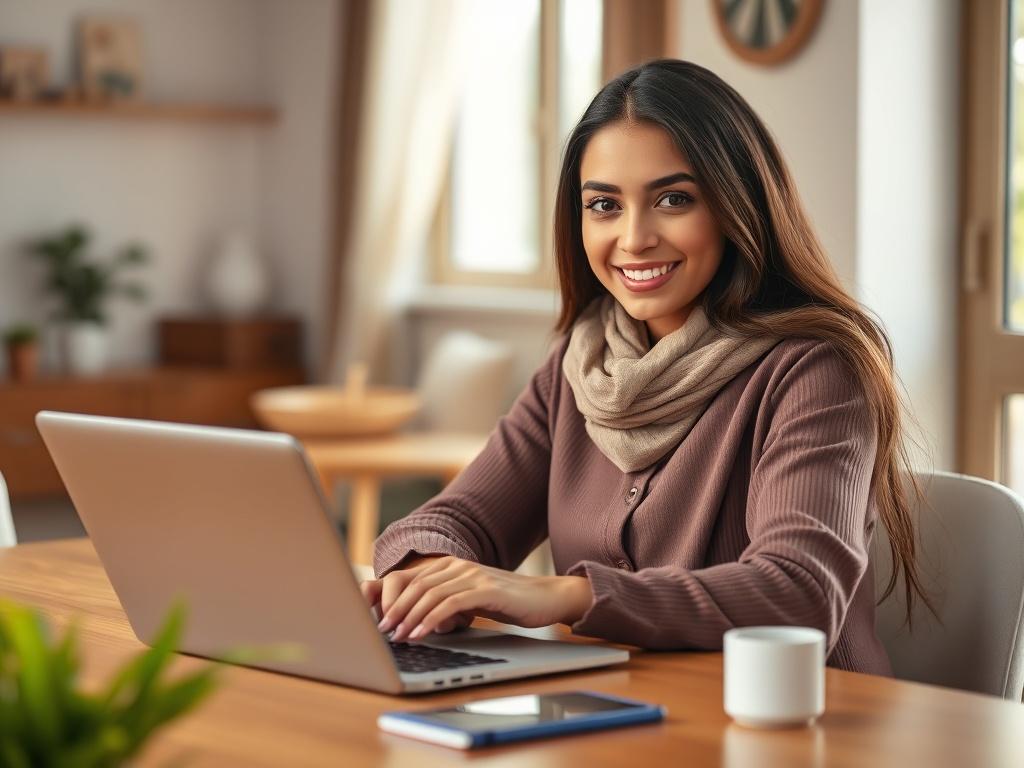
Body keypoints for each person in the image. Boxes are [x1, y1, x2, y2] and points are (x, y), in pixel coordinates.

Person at [360, 59, 931, 675]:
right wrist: (427, 575)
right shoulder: (580, 365)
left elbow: (798, 594)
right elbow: (456, 519)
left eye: (673, 199)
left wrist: (566, 595)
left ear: (738, 205)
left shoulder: (817, 370)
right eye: (604, 204)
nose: (634, 238)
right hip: (622, 714)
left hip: (800, 725)